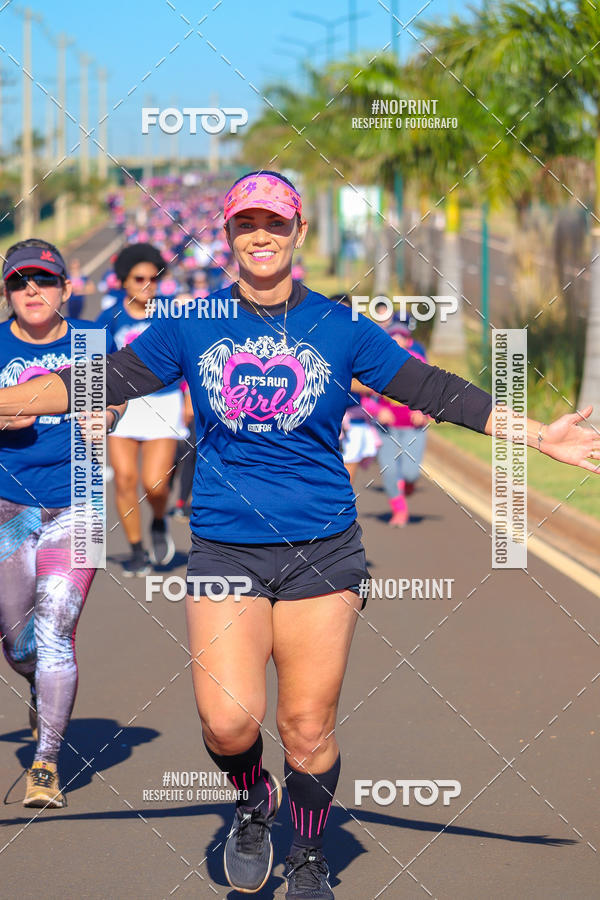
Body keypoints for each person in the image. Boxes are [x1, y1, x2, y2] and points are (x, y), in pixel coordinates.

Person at [1, 174, 598, 897]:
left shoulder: (339, 329)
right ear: (228, 236)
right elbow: (97, 379)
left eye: (275, 224)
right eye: (246, 223)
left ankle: (309, 853)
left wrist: (540, 436)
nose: (261, 235)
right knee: (226, 725)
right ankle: (255, 799)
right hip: (224, 548)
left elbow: (434, 390)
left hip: (323, 549)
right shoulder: (192, 324)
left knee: (307, 725)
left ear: (299, 233)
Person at [0, 238, 124, 808]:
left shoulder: (93, 343)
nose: (33, 291)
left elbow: (110, 404)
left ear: (66, 290)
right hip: (7, 507)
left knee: (56, 624)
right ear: (7, 292)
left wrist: (107, 418)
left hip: (82, 501)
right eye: (21, 281)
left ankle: (46, 761)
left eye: (44, 281)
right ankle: (36, 684)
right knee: (19, 642)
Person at [95, 243, 187, 576]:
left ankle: (159, 520)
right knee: (124, 479)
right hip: (122, 405)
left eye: (153, 278)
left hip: (165, 402)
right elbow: (97, 364)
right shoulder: (109, 318)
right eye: (139, 278)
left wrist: (190, 398)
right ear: (123, 281)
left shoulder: (171, 312)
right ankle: (135, 549)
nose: (147, 285)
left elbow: (188, 357)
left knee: (154, 484)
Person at [362, 315, 430, 525]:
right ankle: (399, 510)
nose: (398, 340)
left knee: (410, 473)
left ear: (408, 340)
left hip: (414, 429)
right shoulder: (377, 364)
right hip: (386, 428)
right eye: (394, 336)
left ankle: (408, 485)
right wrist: (377, 411)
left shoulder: (418, 363)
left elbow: (432, 393)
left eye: (402, 336)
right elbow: (364, 398)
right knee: (389, 470)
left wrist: (424, 412)